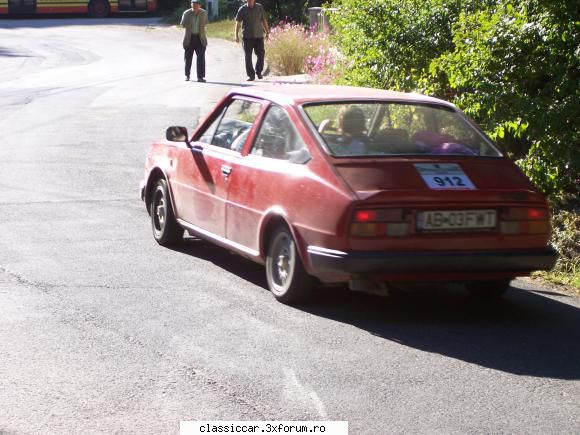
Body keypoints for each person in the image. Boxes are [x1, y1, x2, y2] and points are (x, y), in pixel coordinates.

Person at [234, 0, 269, 81]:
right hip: (247, 37)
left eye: (251, 0)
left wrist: (267, 31)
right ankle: (251, 75)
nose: (249, 1)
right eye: (248, 0)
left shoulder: (259, 7)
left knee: (261, 54)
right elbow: (238, 23)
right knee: (248, 57)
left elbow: (264, 20)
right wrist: (236, 35)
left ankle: (259, 72)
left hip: (259, 36)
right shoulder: (242, 9)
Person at [181, 0, 208, 82]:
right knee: (188, 58)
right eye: (193, 5)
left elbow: (205, 23)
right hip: (189, 38)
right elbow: (182, 24)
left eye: (196, 5)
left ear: (200, 5)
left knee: (201, 58)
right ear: (191, 5)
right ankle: (187, 75)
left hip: (200, 38)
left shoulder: (204, 13)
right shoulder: (186, 13)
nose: (195, 7)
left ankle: (200, 77)